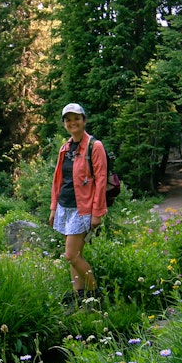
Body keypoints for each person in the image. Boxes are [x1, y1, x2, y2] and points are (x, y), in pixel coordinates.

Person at [49, 102, 108, 304]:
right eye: (68, 120)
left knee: (70, 255)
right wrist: (53, 208)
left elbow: (101, 180)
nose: (72, 122)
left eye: (76, 118)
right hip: (65, 207)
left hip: (83, 209)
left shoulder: (94, 146)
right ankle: (79, 294)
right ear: (64, 124)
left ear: (84, 120)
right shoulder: (65, 148)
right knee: (76, 254)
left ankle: (94, 295)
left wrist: (97, 212)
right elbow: (58, 180)